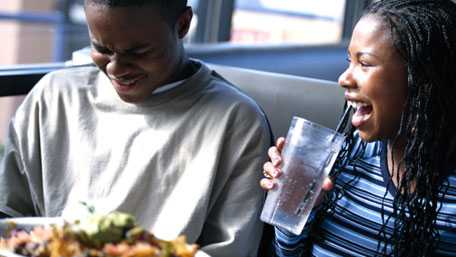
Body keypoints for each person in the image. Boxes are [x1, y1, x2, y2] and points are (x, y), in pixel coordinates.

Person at [0, 0, 272, 256]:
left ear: (182, 25)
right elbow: (10, 219)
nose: (116, 68)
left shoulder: (237, 122)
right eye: (102, 49)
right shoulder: (53, 97)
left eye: (138, 52)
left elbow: (231, 250)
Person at [261, 0, 456, 256]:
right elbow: (289, 254)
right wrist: (293, 206)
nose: (344, 78)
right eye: (349, 61)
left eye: (364, 63)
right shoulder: (345, 159)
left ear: (421, 78)